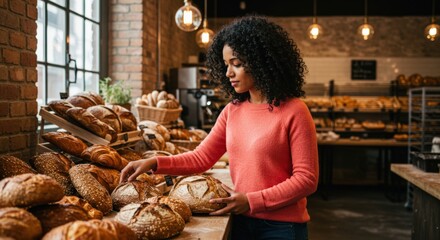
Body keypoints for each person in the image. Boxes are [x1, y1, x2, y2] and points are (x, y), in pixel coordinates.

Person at [120, 15, 319, 240]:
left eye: (237, 64)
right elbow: (201, 158)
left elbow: (306, 179)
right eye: (226, 65)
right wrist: (155, 163)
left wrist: (252, 200)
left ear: (261, 61)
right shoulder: (232, 110)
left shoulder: (295, 111)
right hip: (240, 220)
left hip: (281, 228)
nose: (228, 73)